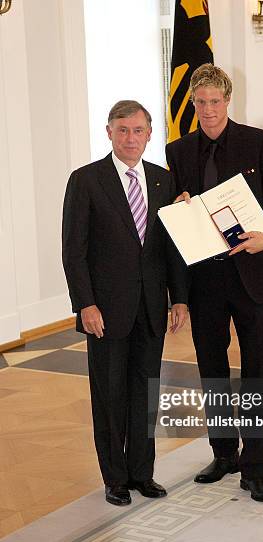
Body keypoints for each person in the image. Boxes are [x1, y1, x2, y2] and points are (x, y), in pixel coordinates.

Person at [166, 63, 263, 502]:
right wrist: (180, 204)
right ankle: (223, 453)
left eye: (215, 102)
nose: (207, 110)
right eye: (200, 102)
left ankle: (255, 467)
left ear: (228, 100)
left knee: (258, 371)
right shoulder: (178, 150)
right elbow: (173, 214)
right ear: (192, 102)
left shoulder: (256, 142)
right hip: (204, 278)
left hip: (253, 275)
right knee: (213, 372)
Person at [62, 100, 188, 506]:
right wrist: (86, 304)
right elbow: (74, 251)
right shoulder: (85, 180)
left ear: (149, 134)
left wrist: (179, 299)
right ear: (109, 132)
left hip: (151, 307)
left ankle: (142, 474)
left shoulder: (163, 181)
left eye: (138, 130)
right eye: (122, 130)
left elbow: (171, 248)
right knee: (110, 395)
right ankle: (114, 478)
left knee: (144, 392)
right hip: (105, 311)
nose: (130, 138)